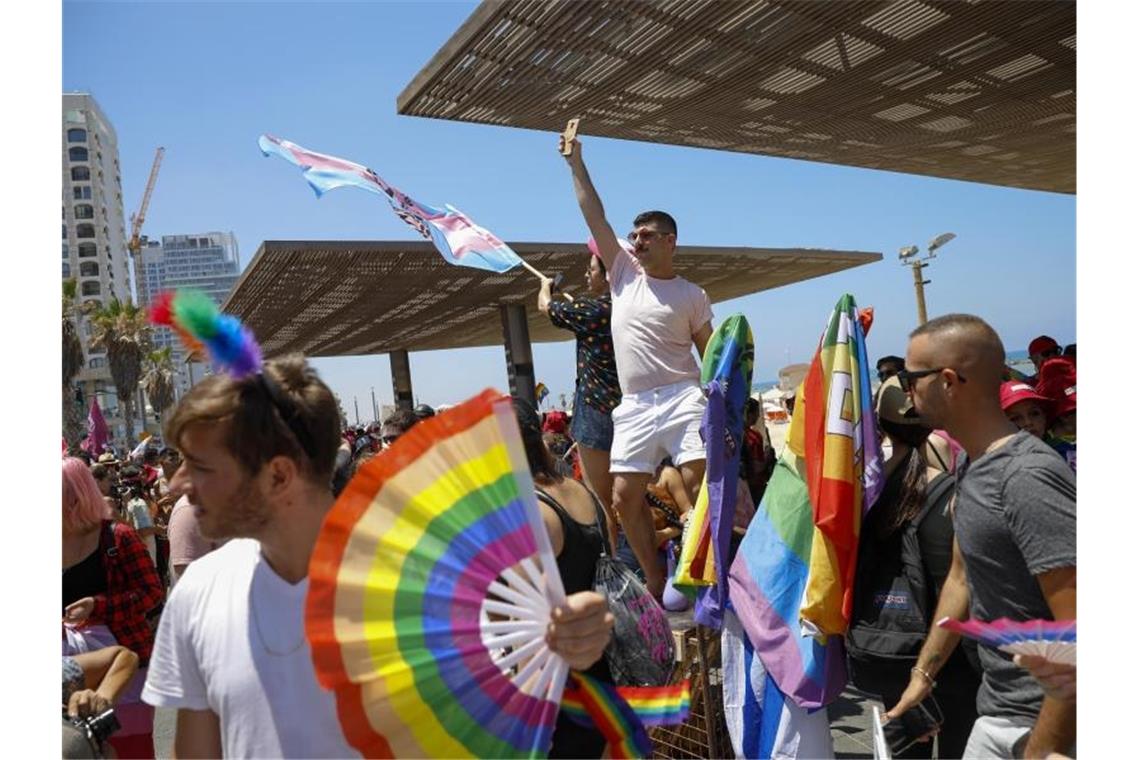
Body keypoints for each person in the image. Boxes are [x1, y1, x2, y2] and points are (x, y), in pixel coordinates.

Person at [143, 355, 610, 757]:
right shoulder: (196, 594)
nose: (178, 483)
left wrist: (572, 642)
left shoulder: (433, 585)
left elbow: (513, 711)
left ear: (278, 477)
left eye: (200, 466)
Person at [886, 314, 1075, 759]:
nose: (907, 390)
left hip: (1046, 723)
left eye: (912, 378)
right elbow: (961, 576)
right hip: (997, 711)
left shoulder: (1026, 477)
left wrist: (1041, 749)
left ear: (949, 380)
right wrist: (923, 675)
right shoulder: (972, 464)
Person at [562, 133, 714, 599]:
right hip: (634, 405)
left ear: (671, 241)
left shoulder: (692, 295)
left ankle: (710, 563)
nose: (637, 241)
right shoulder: (622, 273)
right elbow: (595, 215)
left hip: (683, 395)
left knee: (698, 477)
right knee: (623, 498)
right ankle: (654, 576)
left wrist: (722, 399)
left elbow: (711, 352)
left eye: (647, 235)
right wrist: (575, 164)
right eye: (634, 236)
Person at [848, 377, 980, 759]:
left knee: (908, 751)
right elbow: (962, 582)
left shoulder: (864, 495)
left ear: (881, 426)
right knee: (960, 746)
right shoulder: (954, 492)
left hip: (892, 643)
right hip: (953, 654)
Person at [513, 398, 615, 759]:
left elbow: (531, 631)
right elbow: (612, 565)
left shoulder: (531, 516)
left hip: (560, 689)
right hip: (608, 667)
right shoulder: (581, 490)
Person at [63, 457, 164, 759]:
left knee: (129, 747)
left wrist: (98, 606)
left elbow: (151, 593)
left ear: (74, 494)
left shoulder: (118, 537)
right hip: (67, 674)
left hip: (124, 667)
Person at [538, 246, 622, 550]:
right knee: (631, 499)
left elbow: (545, 307)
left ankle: (613, 565)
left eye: (592, 269)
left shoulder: (594, 309)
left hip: (597, 411)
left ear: (608, 274)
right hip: (632, 409)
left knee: (601, 501)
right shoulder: (629, 307)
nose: (587, 274)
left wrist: (546, 288)